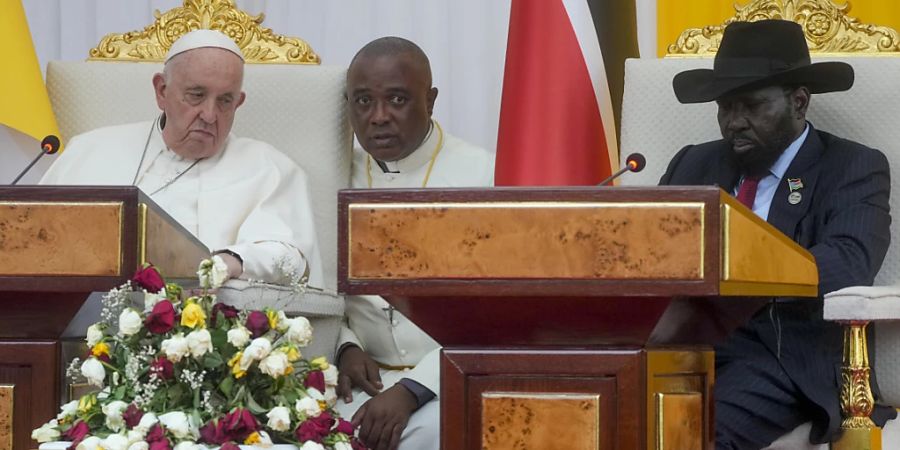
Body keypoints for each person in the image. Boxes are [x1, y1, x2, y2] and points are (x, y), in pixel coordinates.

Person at [659, 20, 894, 449]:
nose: (735, 123)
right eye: (726, 107)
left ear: (799, 102)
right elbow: (653, 253)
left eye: (751, 106)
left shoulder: (852, 165)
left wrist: (740, 270)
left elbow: (848, 260)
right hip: (682, 347)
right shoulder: (693, 163)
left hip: (784, 355)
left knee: (685, 436)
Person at [40, 29, 322, 287]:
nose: (210, 115)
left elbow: (292, 259)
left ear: (239, 102)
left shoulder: (270, 169)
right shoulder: (89, 152)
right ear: (162, 91)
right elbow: (35, 241)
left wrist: (231, 261)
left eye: (225, 101)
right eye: (196, 95)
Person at [337, 36, 494, 450]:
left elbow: (494, 313)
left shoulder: (483, 175)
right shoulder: (333, 173)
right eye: (363, 101)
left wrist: (413, 388)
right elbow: (313, 285)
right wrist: (345, 348)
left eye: (397, 99)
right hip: (359, 381)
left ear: (432, 100)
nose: (379, 116)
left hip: (449, 379)